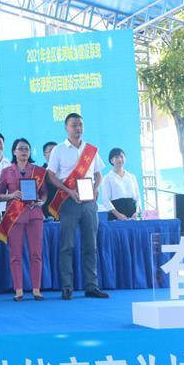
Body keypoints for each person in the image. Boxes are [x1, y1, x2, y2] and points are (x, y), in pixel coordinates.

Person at [47, 113, 109, 300]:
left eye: (80, 124)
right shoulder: (58, 150)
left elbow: (98, 175)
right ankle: (67, 287)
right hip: (68, 201)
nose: (78, 128)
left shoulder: (90, 150)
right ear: (66, 128)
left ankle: (92, 286)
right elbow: (51, 175)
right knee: (67, 245)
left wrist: (96, 189)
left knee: (91, 245)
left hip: (89, 202)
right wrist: (68, 190)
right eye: (74, 125)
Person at [0, 138, 47, 301]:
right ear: (14, 152)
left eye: (27, 149)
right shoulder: (6, 171)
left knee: (36, 253)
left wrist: (42, 201)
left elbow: (44, 193)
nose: (24, 151)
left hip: (35, 215)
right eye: (21, 149)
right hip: (15, 216)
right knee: (16, 254)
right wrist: (11, 195)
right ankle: (18, 290)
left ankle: (36, 290)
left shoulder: (38, 171)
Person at [104, 148, 142, 219]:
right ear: (111, 160)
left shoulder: (132, 177)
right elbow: (106, 200)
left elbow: (138, 197)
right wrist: (118, 215)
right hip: (116, 214)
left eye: (122, 156)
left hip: (133, 214)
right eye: (116, 157)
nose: (120, 159)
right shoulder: (108, 178)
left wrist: (137, 212)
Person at [41, 141, 58, 219]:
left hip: (66, 212)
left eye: (56, 150)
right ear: (44, 154)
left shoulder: (66, 171)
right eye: (51, 150)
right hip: (47, 212)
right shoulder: (39, 172)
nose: (54, 153)